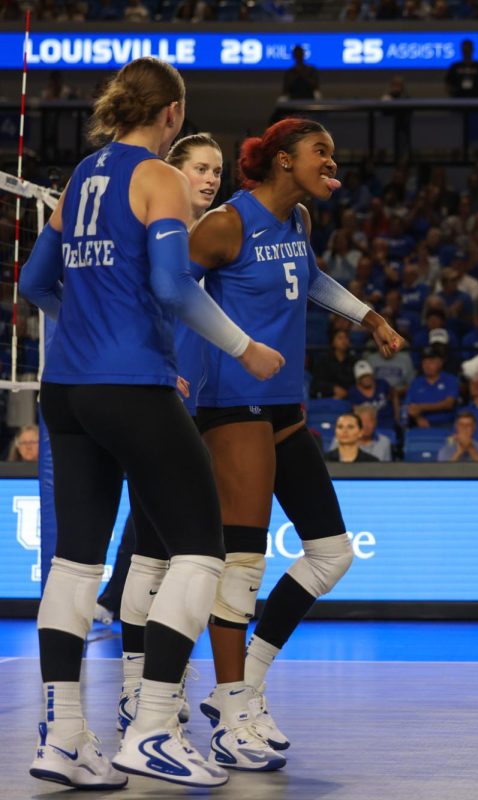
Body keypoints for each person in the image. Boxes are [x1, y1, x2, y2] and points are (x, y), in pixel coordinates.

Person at [19, 57, 284, 789]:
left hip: (66, 391)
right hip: (132, 387)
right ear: (170, 113)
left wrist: (92, 329)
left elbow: (35, 283)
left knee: (75, 562)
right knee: (202, 552)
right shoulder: (158, 178)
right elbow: (172, 286)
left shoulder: (77, 180)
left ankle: (65, 736)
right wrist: (245, 346)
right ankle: (154, 728)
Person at [187, 117, 402, 766]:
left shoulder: (300, 224)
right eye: (320, 152)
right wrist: (208, 356)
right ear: (283, 161)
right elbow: (166, 289)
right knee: (243, 566)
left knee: (332, 553)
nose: (331, 161)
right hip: (232, 402)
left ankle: (245, 685)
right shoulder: (226, 224)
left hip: (283, 403)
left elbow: (307, 282)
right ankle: (230, 710)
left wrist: (367, 315)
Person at [112, 132, 224, 733]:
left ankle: (157, 684)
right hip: (155, 402)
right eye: (199, 168)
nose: (209, 178)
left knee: (166, 552)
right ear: (174, 172)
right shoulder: (158, 235)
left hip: (200, 408)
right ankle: (138, 688)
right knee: (156, 552)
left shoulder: (212, 239)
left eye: (216, 171)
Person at [403, 347, 459, 428]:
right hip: (419, 425)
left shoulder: (451, 380)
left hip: (447, 424)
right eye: (424, 361)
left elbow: (448, 404)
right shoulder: (416, 382)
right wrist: (418, 418)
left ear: (440, 362)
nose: (427, 365)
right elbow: (408, 406)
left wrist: (421, 407)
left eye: (431, 361)